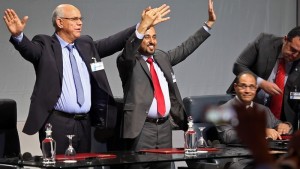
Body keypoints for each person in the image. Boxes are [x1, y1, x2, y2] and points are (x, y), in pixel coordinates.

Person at [3, 4, 139, 154]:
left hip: (84, 123)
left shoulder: (86, 45)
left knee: (81, 165)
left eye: (80, 19)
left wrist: (141, 25)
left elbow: (114, 42)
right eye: (74, 19)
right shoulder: (45, 45)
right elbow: (30, 50)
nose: (80, 23)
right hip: (56, 123)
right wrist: (18, 36)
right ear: (60, 22)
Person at [116, 0, 216, 169]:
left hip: (164, 128)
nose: (151, 41)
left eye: (154, 37)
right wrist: (143, 25)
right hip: (141, 129)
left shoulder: (162, 58)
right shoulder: (128, 62)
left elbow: (186, 48)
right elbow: (128, 50)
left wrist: (208, 25)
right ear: (139, 39)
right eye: (146, 37)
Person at [226, 27, 300, 131]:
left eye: (299, 53)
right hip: (247, 108)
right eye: (293, 50)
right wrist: (261, 83)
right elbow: (239, 66)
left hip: (280, 119)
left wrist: (288, 125)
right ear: (285, 39)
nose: (295, 55)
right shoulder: (264, 43)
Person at [217, 71, 292, 169]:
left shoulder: (264, 110)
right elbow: (228, 136)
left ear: (256, 88)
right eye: (243, 86)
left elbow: (278, 124)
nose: (247, 91)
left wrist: (285, 126)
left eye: (251, 87)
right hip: (241, 159)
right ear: (235, 87)